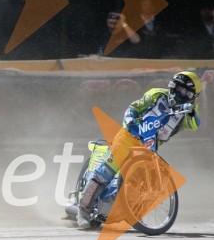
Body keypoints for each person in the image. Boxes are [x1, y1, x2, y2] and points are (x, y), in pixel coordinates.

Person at [77, 71, 201, 227]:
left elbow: (195, 124)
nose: (179, 93)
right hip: (128, 137)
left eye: (185, 91)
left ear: (192, 95)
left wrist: (191, 111)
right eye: (178, 88)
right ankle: (83, 210)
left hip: (149, 149)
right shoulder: (157, 95)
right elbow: (134, 107)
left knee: (142, 184)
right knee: (105, 172)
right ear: (172, 86)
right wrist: (130, 120)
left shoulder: (186, 114)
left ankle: (127, 212)